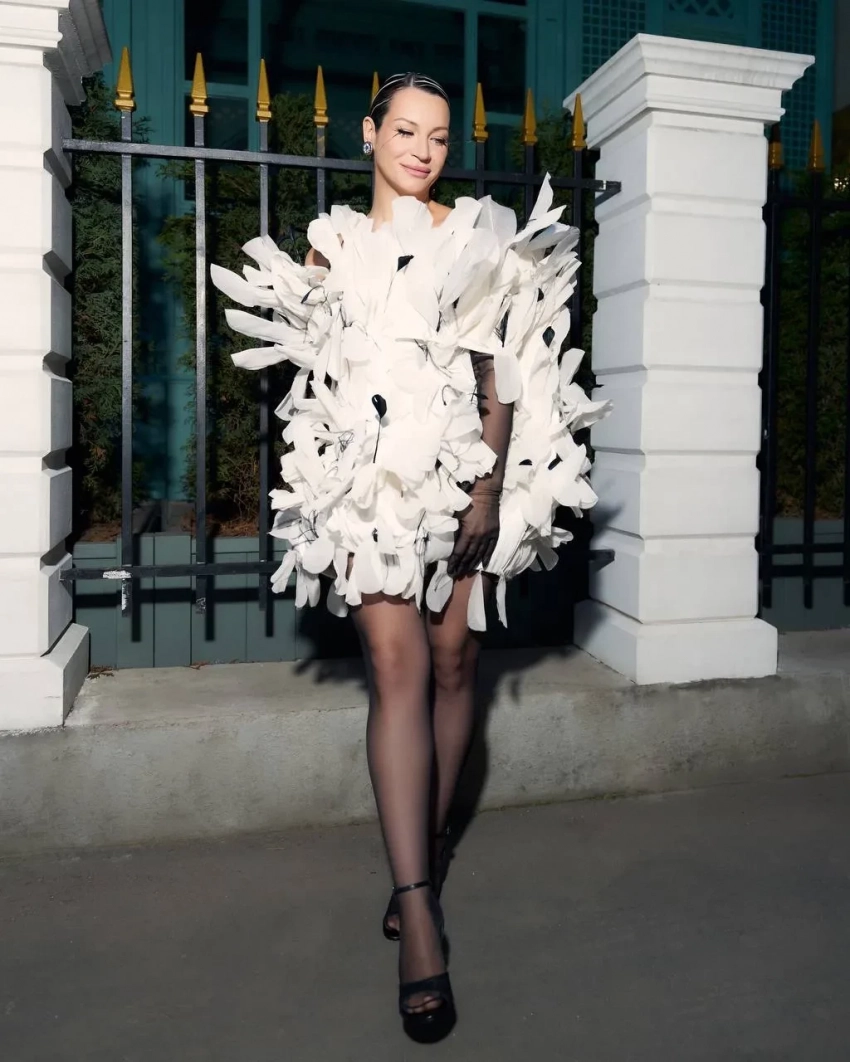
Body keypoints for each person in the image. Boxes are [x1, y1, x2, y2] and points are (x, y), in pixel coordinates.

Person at [211, 71, 608, 1044]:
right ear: (370, 133)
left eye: (437, 136)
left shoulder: (473, 234)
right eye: (406, 131)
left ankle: (424, 846)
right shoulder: (333, 243)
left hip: (463, 473)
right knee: (397, 670)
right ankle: (418, 907)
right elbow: (317, 378)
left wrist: (485, 492)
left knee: (454, 660)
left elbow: (498, 371)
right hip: (374, 492)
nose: (423, 149)